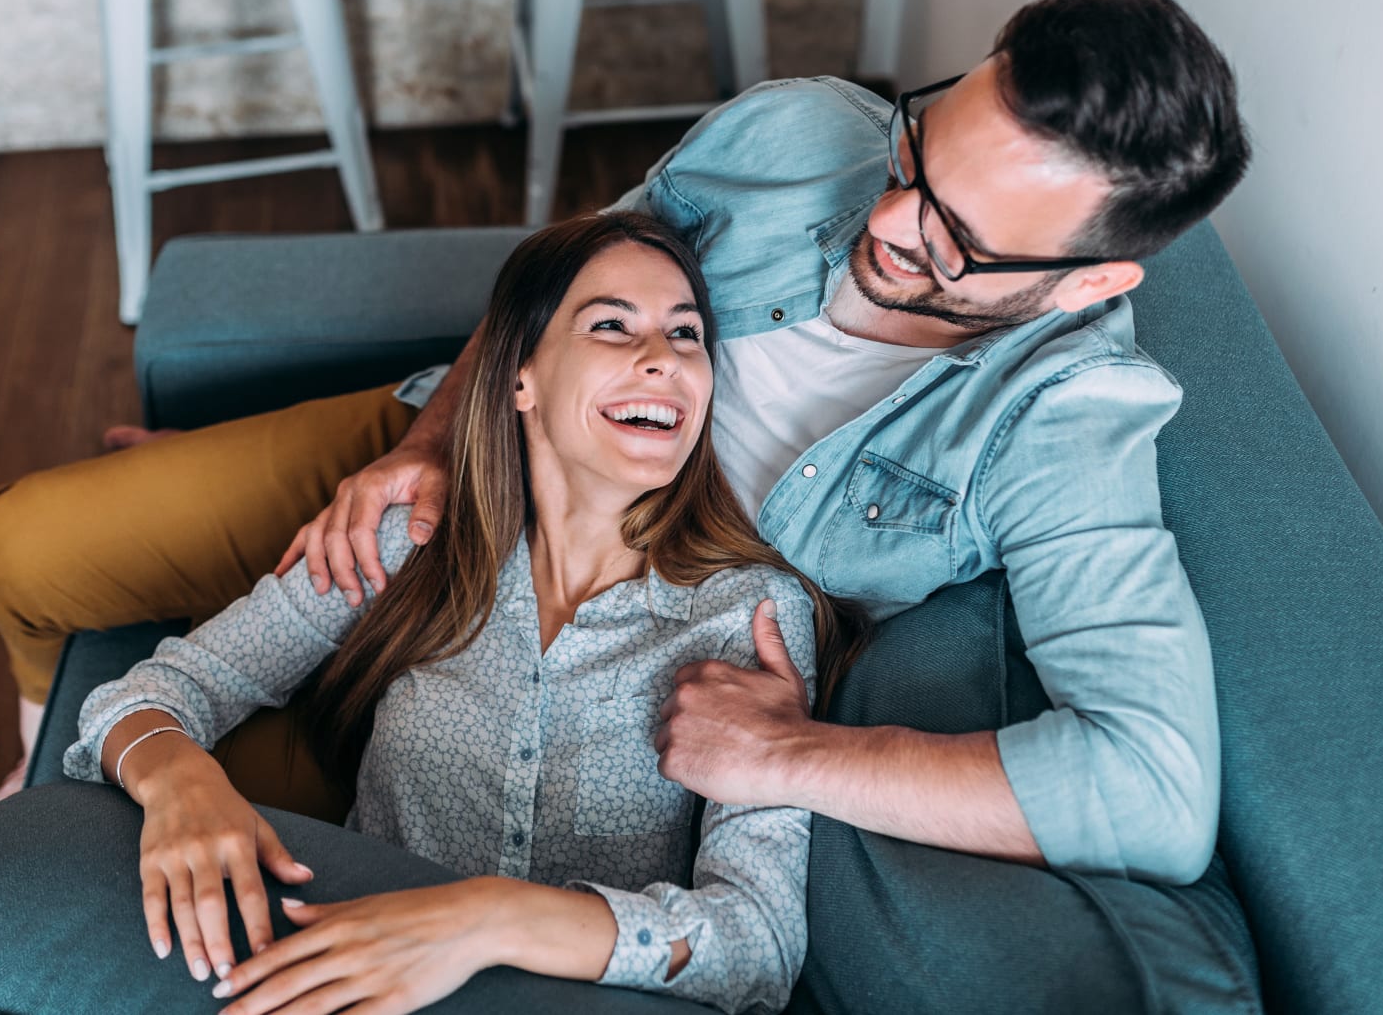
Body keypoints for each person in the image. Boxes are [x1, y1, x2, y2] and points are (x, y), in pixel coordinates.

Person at [0, 0, 1250, 886]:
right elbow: (570, 277)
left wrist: (794, 752)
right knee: (17, 545)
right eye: (918, 146)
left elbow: (1151, 791)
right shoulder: (805, 130)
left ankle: (94, 737)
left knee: (160, 808)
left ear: (1084, 283)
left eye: (955, 240)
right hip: (455, 454)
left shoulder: (1067, 423)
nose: (892, 215)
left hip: (588, 630)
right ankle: (41, 727)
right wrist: (421, 451)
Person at [61, 212, 864, 1015]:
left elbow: (757, 946)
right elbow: (156, 692)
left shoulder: (747, 615)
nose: (662, 360)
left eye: (686, 336)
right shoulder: (411, 541)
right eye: (612, 325)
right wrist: (179, 780)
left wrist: (484, 920)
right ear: (523, 375)